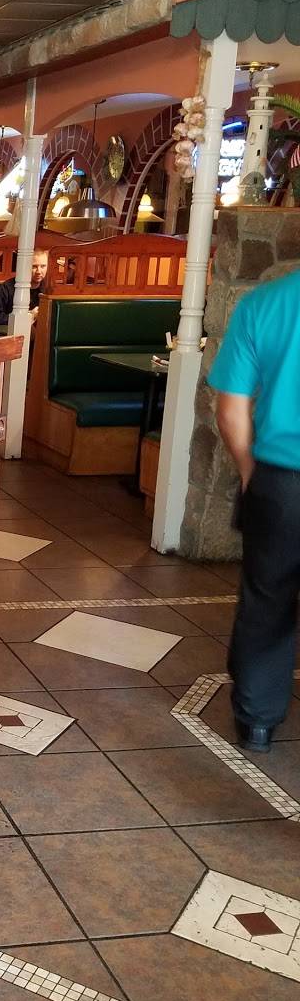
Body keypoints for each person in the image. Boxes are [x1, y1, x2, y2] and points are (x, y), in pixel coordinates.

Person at [209, 267, 300, 753]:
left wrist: (250, 472)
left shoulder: (263, 303)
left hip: (281, 483)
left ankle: (257, 723)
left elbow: (230, 410)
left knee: (266, 599)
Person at [0, 250, 48, 328]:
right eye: (34, 266)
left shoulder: (49, 289)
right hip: (10, 333)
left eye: (43, 266)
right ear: (24, 267)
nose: (39, 271)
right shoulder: (7, 287)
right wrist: (26, 317)